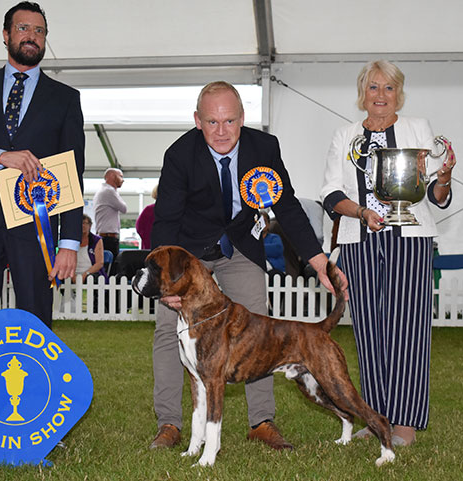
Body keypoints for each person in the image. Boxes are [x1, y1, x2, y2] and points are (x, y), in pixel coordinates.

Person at [150, 81, 348, 450]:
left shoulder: (265, 147)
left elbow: (286, 206)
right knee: (167, 331)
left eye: (229, 121)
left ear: (242, 119)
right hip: (190, 253)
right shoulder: (179, 155)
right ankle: (169, 424)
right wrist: (166, 287)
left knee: (259, 326)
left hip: (240, 245)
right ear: (197, 121)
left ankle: (261, 422)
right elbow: (165, 221)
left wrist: (318, 259)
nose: (221, 131)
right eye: (212, 122)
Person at [321, 60, 456, 447]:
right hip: (359, 237)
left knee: (408, 327)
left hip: (410, 236)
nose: (381, 96)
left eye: (389, 88)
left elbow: (433, 195)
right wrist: (362, 213)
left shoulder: (418, 128)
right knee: (368, 329)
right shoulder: (344, 135)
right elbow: (332, 194)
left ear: (400, 93)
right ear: (362, 93)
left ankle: (406, 422)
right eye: (374, 88)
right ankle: (376, 417)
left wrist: (443, 179)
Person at [0, 2, 85, 331]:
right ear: (5, 35)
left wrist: (70, 244)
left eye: (39, 31)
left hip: (36, 228)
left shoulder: (66, 98)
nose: (31, 36)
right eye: (23, 28)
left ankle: (35, 383)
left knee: (36, 321)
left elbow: (73, 171)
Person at [93, 167, 127, 260]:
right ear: (112, 176)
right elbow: (124, 208)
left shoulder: (103, 191)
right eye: (120, 176)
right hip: (108, 238)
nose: (122, 180)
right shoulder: (109, 191)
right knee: (112, 268)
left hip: (104, 236)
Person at [73, 214, 108, 283]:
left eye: (84, 223)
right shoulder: (71, 240)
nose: (82, 226)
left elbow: (99, 263)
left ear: (90, 226)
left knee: (91, 279)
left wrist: (85, 274)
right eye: (80, 223)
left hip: (91, 273)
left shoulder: (96, 240)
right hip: (73, 273)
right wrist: (72, 275)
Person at [136, 184, 158, 249]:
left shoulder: (148, 209)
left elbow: (139, 227)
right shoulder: (174, 210)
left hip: (148, 247)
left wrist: (146, 238)